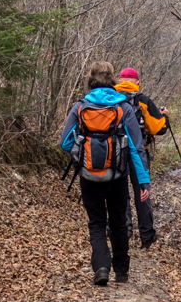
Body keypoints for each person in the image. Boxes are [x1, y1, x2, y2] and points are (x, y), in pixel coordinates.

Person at [60, 61, 150, 286]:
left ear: (90, 79)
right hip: (117, 176)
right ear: (112, 80)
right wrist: (143, 181)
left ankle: (101, 267)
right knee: (118, 222)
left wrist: (81, 149)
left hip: (88, 176)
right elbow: (136, 149)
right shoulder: (123, 108)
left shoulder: (80, 107)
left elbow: (64, 142)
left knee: (97, 223)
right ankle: (121, 271)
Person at [115, 67, 169, 248]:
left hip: (114, 154)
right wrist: (165, 117)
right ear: (137, 82)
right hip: (139, 153)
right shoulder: (143, 101)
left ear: (120, 80)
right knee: (142, 193)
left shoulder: (111, 100)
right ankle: (147, 236)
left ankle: (124, 229)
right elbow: (158, 129)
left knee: (120, 193)